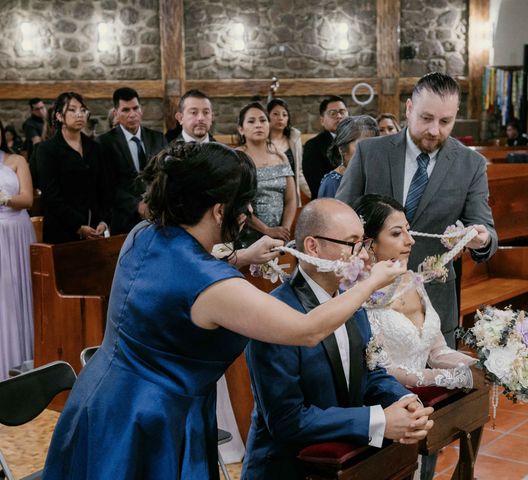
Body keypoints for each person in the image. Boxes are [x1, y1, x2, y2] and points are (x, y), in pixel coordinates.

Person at [42, 142, 406, 479]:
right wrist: (368, 284)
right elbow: (307, 329)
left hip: (100, 399)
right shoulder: (213, 286)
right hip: (155, 421)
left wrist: (243, 257)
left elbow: (184, 268)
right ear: (219, 210)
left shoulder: (146, 233)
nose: (247, 214)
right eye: (243, 206)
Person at [242, 198, 433, 479]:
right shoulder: (276, 315)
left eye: (362, 243)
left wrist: (406, 400)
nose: (365, 256)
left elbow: (372, 373)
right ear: (312, 246)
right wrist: (378, 420)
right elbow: (287, 420)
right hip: (287, 469)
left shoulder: (348, 301)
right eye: (352, 243)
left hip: (343, 465)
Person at [336, 72, 498, 347]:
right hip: (369, 293)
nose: (435, 130)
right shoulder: (370, 153)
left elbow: (487, 233)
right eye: (426, 118)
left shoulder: (470, 165)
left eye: (446, 121)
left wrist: (481, 239)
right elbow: (341, 216)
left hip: (433, 297)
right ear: (409, 109)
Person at [353, 194, 484, 480]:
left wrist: (480, 365)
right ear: (369, 244)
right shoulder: (358, 295)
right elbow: (383, 368)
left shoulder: (411, 278)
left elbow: (437, 350)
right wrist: (452, 378)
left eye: (409, 231)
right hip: (387, 408)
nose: (410, 241)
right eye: (397, 233)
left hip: (421, 406)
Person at [36, 92, 110, 244]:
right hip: (62, 229)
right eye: (72, 110)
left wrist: (104, 220)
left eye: (83, 110)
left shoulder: (95, 148)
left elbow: (105, 187)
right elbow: (51, 195)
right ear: (59, 116)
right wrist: (78, 225)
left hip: (95, 228)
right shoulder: (47, 149)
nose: (79, 115)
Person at [97, 87, 167, 234]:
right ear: (116, 113)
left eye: (135, 108)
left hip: (158, 215)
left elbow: (165, 175)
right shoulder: (104, 143)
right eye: (126, 110)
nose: (132, 114)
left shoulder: (158, 138)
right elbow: (107, 185)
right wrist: (137, 205)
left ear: (141, 110)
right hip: (124, 218)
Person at [0, 120, 36, 381]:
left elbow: (27, 199)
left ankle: (23, 362)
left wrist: (4, 199)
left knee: (18, 292)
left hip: (17, 231)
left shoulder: (15, 160)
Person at [236, 101, 296, 245]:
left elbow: (290, 200)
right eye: (251, 121)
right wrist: (267, 230)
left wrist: (284, 230)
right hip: (246, 236)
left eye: (263, 120)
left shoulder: (281, 157)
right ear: (241, 129)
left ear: (269, 125)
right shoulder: (236, 158)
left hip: (279, 237)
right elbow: (237, 204)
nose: (258, 125)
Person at [318, 115, 379, 198]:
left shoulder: (374, 177)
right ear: (342, 149)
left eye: (374, 145)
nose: (370, 151)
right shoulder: (332, 183)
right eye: (363, 146)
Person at [302, 95, 349, 198]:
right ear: (322, 120)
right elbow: (316, 186)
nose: (339, 116)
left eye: (342, 112)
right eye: (333, 113)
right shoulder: (313, 146)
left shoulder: (356, 142)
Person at [267, 97, 310, 204]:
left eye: (284, 115)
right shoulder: (261, 140)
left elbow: (298, 172)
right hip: (268, 196)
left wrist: (313, 194)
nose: (280, 118)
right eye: (275, 114)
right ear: (267, 116)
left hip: (290, 196)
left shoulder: (294, 138)